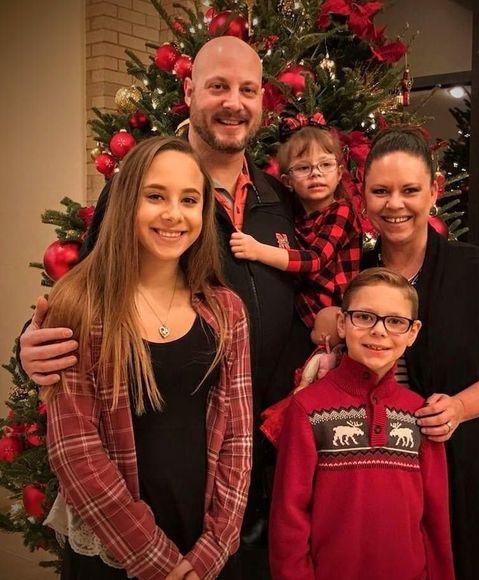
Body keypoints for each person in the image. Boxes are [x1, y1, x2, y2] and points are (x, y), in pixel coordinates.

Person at [19, 36, 308, 576]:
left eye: (248, 90)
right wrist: (31, 345)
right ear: (189, 91)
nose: (233, 103)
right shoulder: (132, 187)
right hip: (132, 510)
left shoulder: (280, 199)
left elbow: (313, 282)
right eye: (218, 86)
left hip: (248, 470)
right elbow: (89, 285)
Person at [43, 136, 252, 580]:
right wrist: (155, 559)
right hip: (116, 543)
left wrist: (213, 548)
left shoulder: (225, 310)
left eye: (189, 200)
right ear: (126, 202)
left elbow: (238, 437)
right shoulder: (81, 304)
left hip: (200, 539)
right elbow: (75, 450)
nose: (174, 214)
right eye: (155, 196)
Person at [360, 128, 479, 580]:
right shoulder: (352, 273)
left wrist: (459, 407)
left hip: (458, 474)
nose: (395, 204)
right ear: (363, 196)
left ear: (435, 190)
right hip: (367, 474)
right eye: (381, 191)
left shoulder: (478, 272)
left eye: (410, 190)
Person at [269, 268, 454, 580]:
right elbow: (289, 514)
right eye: (365, 317)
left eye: (396, 321)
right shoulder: (307, 408)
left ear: (413, 332)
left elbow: (436, 517)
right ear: (342, 324)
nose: (379, 331)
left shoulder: (421, 414)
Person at [230, 120, 361, 331]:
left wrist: (257, 250)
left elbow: (315, 260)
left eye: (325, 164)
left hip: (335, 319)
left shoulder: (342, 211)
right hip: (303, 317)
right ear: (287, 181)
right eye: (303, 168)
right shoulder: (292, 215)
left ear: (339, 173)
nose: (316, 173)